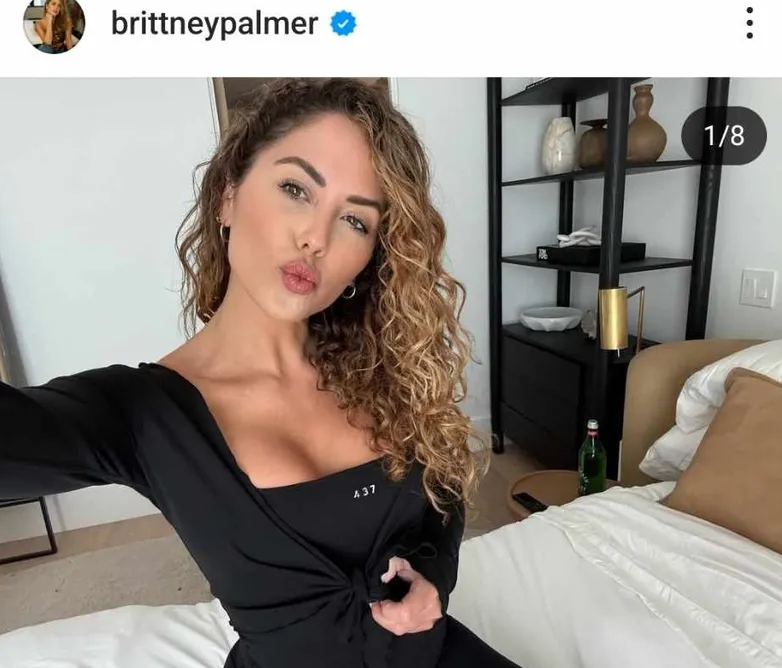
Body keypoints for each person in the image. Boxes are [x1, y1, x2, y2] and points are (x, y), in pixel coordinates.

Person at [0, 78, 522, 668]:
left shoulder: (383, 371)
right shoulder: (142, 414)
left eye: (355, 221)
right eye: (296, 189)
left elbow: (441, 495)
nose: (315, 238)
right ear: (228, 195)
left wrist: (433, 577)